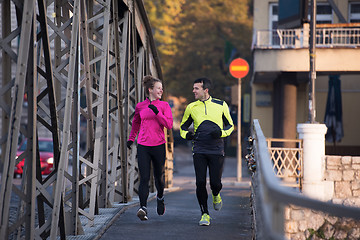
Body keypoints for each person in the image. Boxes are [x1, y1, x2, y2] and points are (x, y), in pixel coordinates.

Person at [180, 77, 234, 226]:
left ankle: (216, 195)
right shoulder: (191, 107)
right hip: (199, 149)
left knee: (215, 183)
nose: (193, 91)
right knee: (200, 182)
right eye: (193, 88)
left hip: (216, 149)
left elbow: (230, 126)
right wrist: (188, 135)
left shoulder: (221, 105)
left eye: (196, 88)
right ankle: (204, 214)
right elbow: (183, 128)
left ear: (206, 90)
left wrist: (221, 133)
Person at [127, 75, 173, 221]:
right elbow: (135, 124)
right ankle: (143, 208)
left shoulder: (164, 105)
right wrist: (130, 139)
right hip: (143, 145)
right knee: (144, 177)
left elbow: (169, 125)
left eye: (161, 88)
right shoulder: (140, 106)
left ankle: (160, 197)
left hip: (159, 145)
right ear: (150, 90)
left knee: (158, 177)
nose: (161, 90)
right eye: (158, 88)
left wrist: (157, 112)